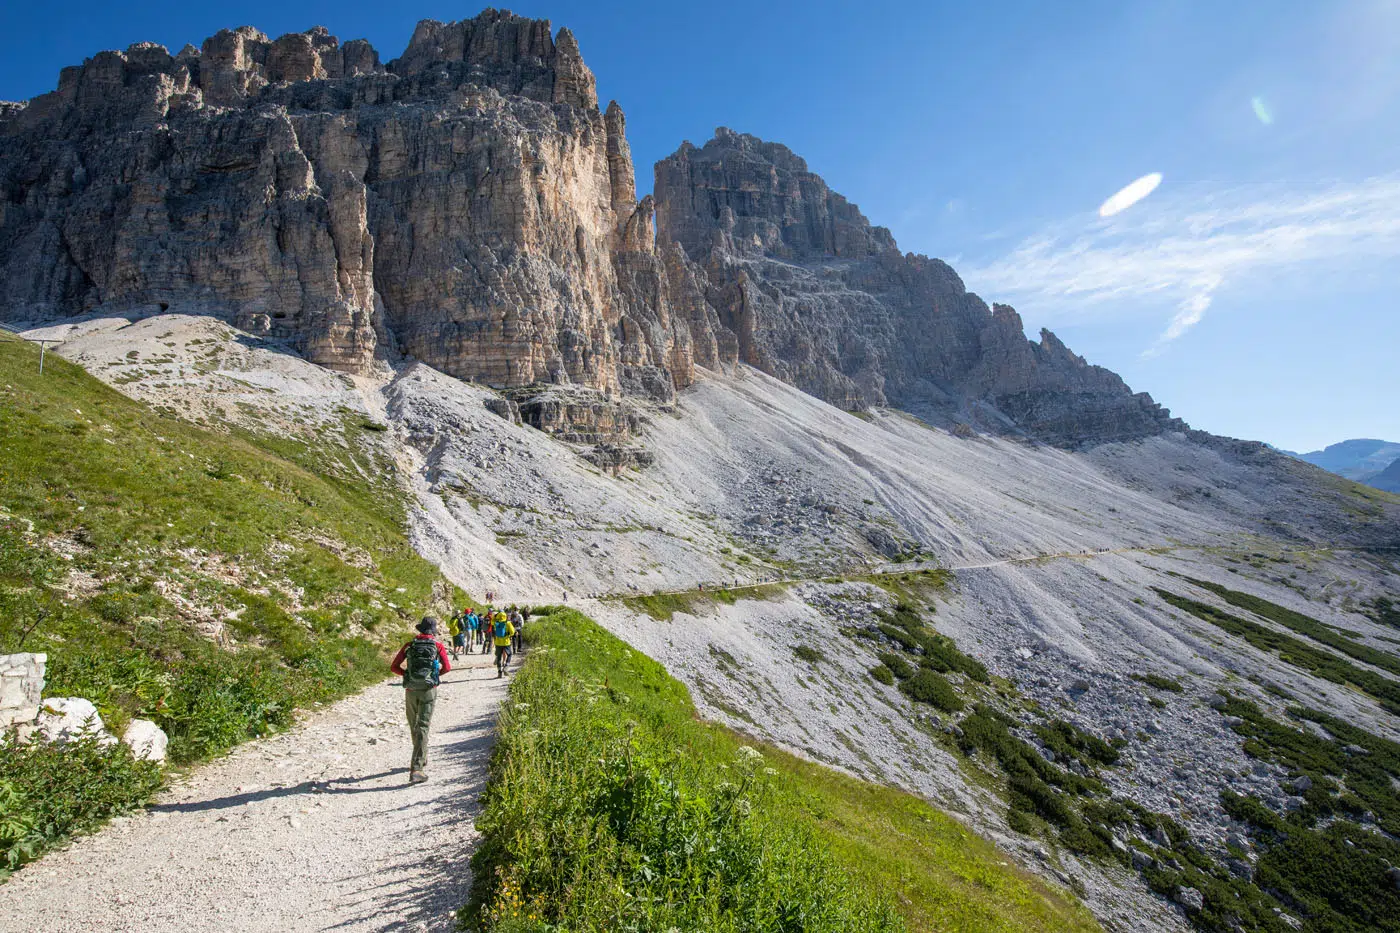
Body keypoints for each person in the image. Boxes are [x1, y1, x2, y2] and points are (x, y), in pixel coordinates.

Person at [389, 617, 451, 784]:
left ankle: (421, 756)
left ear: (420, 629)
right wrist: (433, 677)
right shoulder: (437, 646)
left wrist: (408, 676)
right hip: (428, 691)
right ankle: (417, 768)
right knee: (423, 725)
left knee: (413, 725)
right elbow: (447, 667)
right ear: (433, 631)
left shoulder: (409, 645)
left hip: (411, 691)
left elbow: (394, 667)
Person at [491, 611, 515, 677]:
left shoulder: (495, 623)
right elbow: (512, 632)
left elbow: (492, 620)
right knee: (509, 654)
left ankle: (499, 672)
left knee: (499, 657)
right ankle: (506, 667)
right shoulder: (508, 623)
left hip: (498, 643)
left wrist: (495, 617)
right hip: (506, 642)